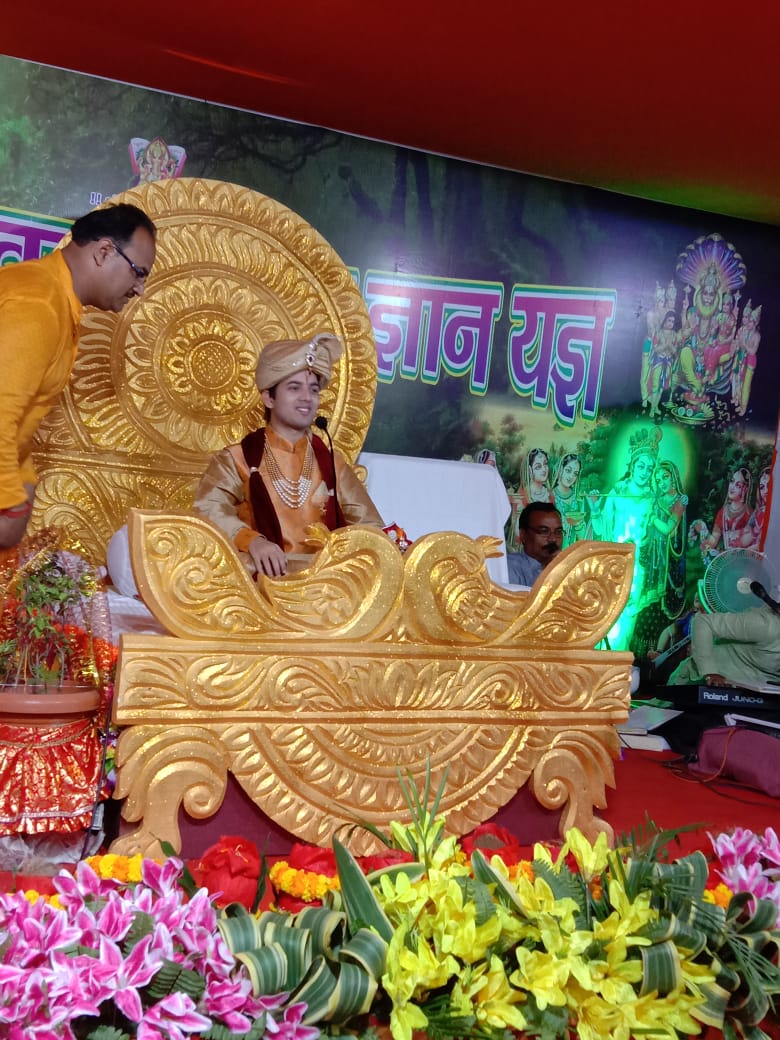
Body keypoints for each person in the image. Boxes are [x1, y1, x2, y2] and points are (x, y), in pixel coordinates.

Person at [0, 203, 157, 549]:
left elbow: (19, 418)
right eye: (138, 272)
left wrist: (23, 482)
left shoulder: (55, 299)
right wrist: (11, 505)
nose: (140, 289)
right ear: (104, 252)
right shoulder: (39, 304)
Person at [195, 333, 384, 577]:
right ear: (268, 398)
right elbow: (208, 510)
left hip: (324, 582)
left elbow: (370, 527)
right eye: (294, 388)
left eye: (313, 389)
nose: (307, 398)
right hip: (263, 579)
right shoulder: (237, 459)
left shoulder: (332, 464)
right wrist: (252, 542)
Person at [670, 605, 780, 688]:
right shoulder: (766, 625)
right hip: (696, 683)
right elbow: (703, 622)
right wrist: (710, 672)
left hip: (751, 692)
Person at [506, 502, 563, 587]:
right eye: (544, 531)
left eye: (558, 532)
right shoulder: (509, 567)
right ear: (523, 535)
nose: (553, 539)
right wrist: (547, 571)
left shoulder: (569, 569)